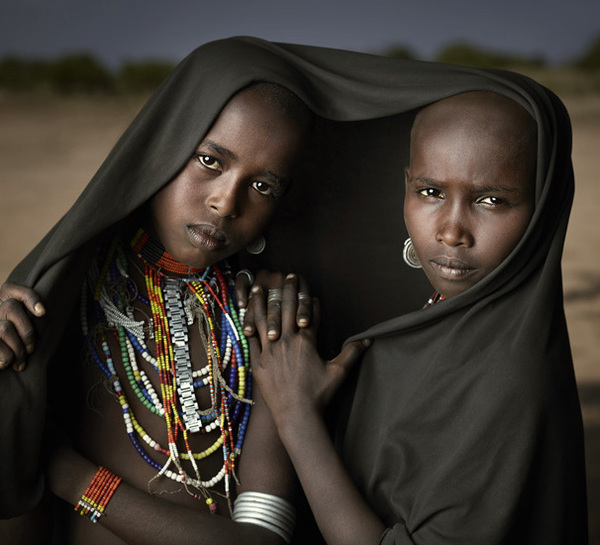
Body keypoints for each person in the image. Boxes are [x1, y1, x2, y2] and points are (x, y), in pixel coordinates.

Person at [1, 37, 587, 544]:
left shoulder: (265, 315)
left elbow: (263, 537)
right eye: (208, 160)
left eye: (263, 185)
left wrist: (73, 476)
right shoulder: (62, 293)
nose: (224, 202)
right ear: (158, 149)